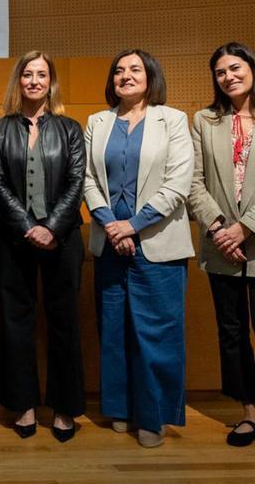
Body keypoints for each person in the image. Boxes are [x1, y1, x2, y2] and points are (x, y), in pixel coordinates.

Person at [83, 49, 194, 448]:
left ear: (151, 76)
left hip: (158, 243)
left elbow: (179, 182)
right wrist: (112, 225)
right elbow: (88, 180)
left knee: (157, 333)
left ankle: (153, 415)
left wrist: (133, 224)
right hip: (110, 242)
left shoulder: (174, 119)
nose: (125, 76)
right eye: (118, 71)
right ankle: (120, 406)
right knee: (114, 330)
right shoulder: (97, 121)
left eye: (134, 69)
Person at [0, 50, 86, 442]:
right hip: (15, 238)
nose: (33, 81)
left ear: (51, 82)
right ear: (19, 80)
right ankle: (24, 405)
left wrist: (52, 228)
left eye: (41, 75)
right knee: (16, 323)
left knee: (64, 323)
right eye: (27, 74)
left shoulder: (69, 128)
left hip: (62, 240)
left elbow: (77, 180)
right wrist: (28, 226)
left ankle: (64, 408)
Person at [187, 42, 255, 447]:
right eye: (220, 72)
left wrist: (245, 227)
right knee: (231, 332)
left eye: (235, 67)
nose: (228, 76)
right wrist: (219, 229)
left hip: (252, 237)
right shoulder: (204, 120)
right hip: (220, 244)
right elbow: (194, 181)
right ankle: (248, 412)